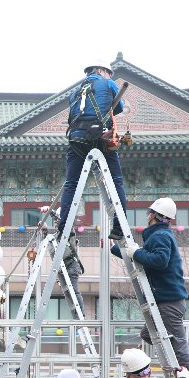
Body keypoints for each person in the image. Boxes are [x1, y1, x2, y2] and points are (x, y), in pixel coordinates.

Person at [112, 197, 189, 378]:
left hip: (167, 300)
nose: (147, 215)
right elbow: (143, 258)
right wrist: (117, 248)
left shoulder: (160, 236)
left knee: (178, 347)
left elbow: (159, 260)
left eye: (150, 212)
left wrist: (137, 252)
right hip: (166, 298)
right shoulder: (158, 235)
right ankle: (188, 352)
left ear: (154, 215)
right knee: (148, 334)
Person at [57, 60, 128, 249]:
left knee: (71, 184)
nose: (110, 77)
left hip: (76, 140)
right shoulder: (108, 84)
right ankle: (119, 227)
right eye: (109, 73)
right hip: (100, 138)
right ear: (102, 70)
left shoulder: (75, 92)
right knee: (116, 181)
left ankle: (64, 227)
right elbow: (119, 108)